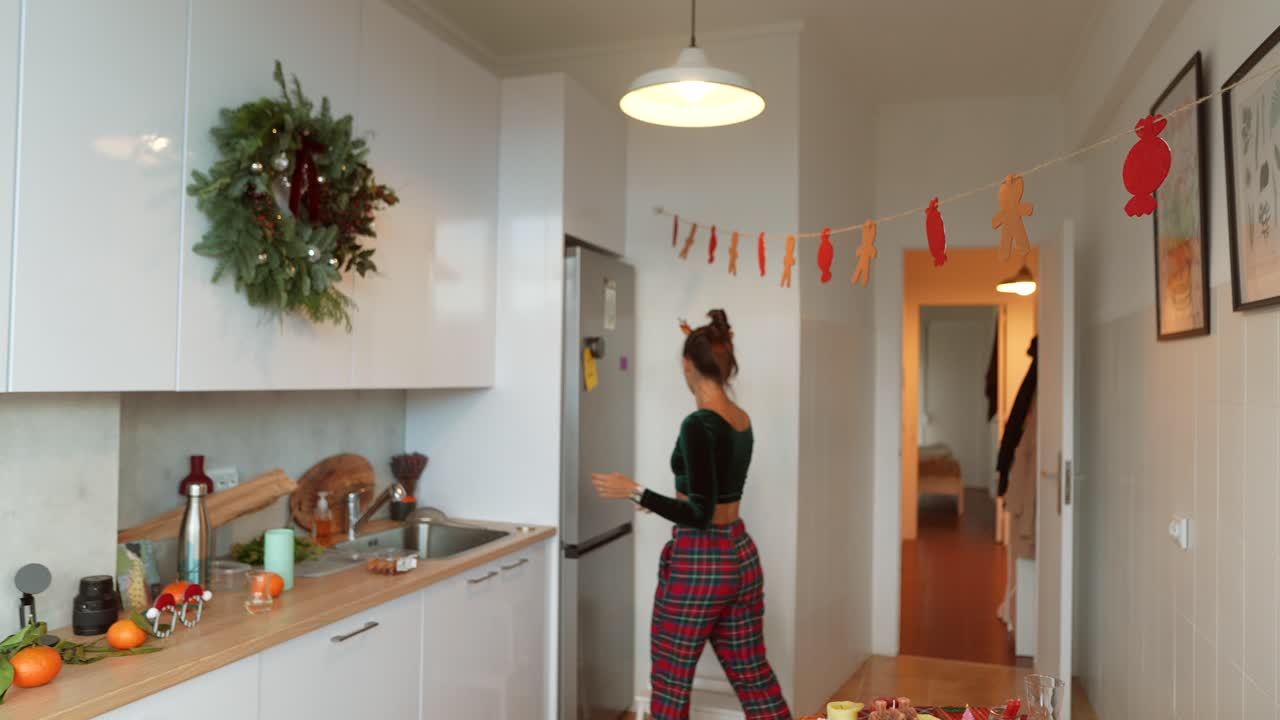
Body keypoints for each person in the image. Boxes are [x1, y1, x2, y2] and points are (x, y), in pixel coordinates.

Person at [592, 309, 791, 720]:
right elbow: (711, 499)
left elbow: (699, 514)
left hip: (700, 561)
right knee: (753, 677)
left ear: (688, 365)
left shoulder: (698, 424)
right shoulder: (740, 419)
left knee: (670, 683)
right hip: (740, 553)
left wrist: (634, 490)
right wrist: (664, 504)